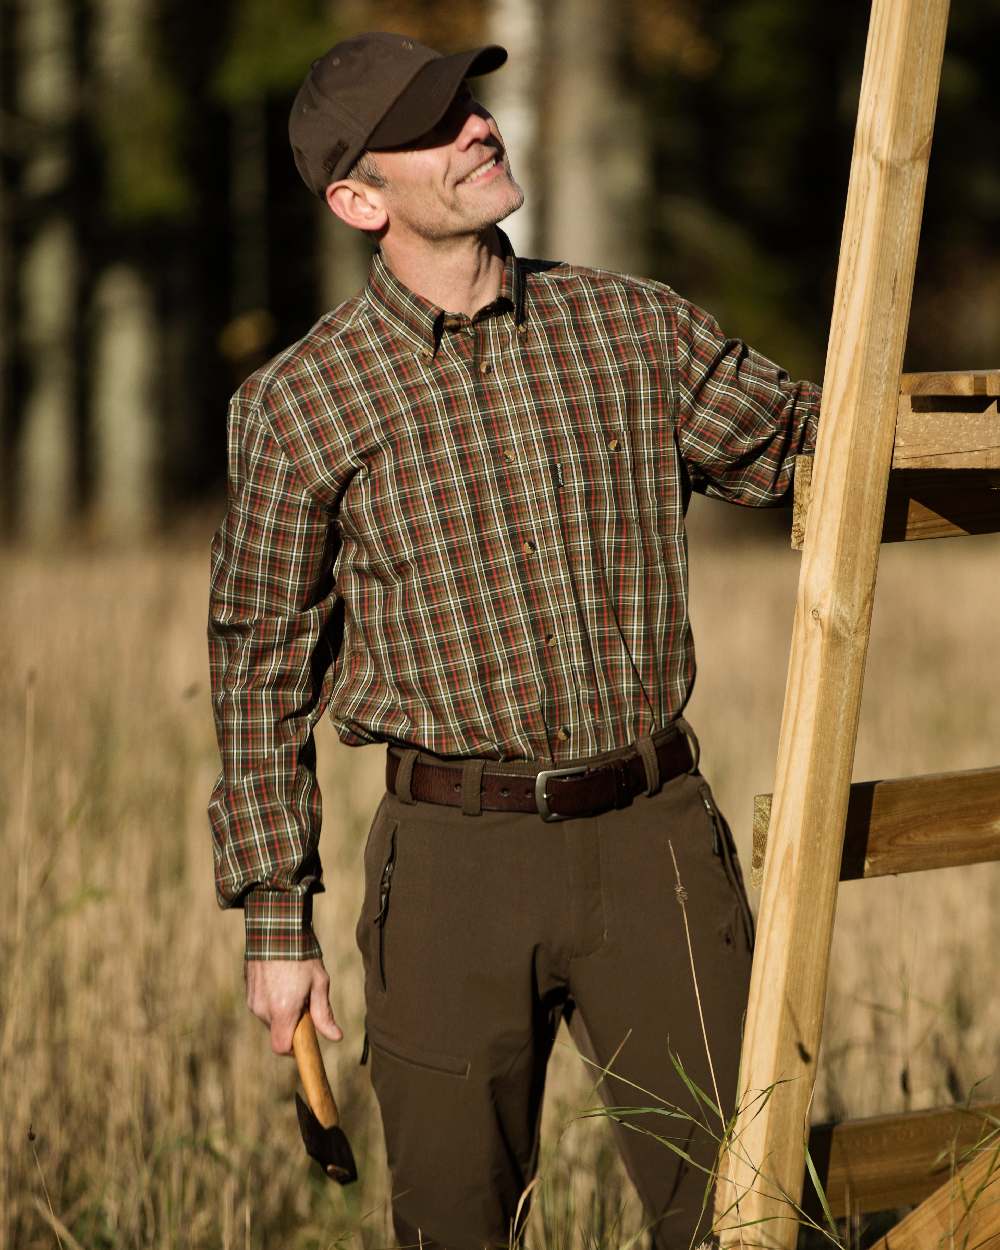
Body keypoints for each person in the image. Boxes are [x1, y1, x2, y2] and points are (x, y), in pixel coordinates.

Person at [207, 30, 821, 1250]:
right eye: (434, 124)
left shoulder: (630, 328)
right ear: (357, 198)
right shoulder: (296, 404)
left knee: (751, 1214)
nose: (477, 126)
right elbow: (258, 664)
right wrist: (279, 925)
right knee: (454, 1224)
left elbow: (822, 446)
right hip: (449, 868)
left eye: (470, 103)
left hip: (655, 842)